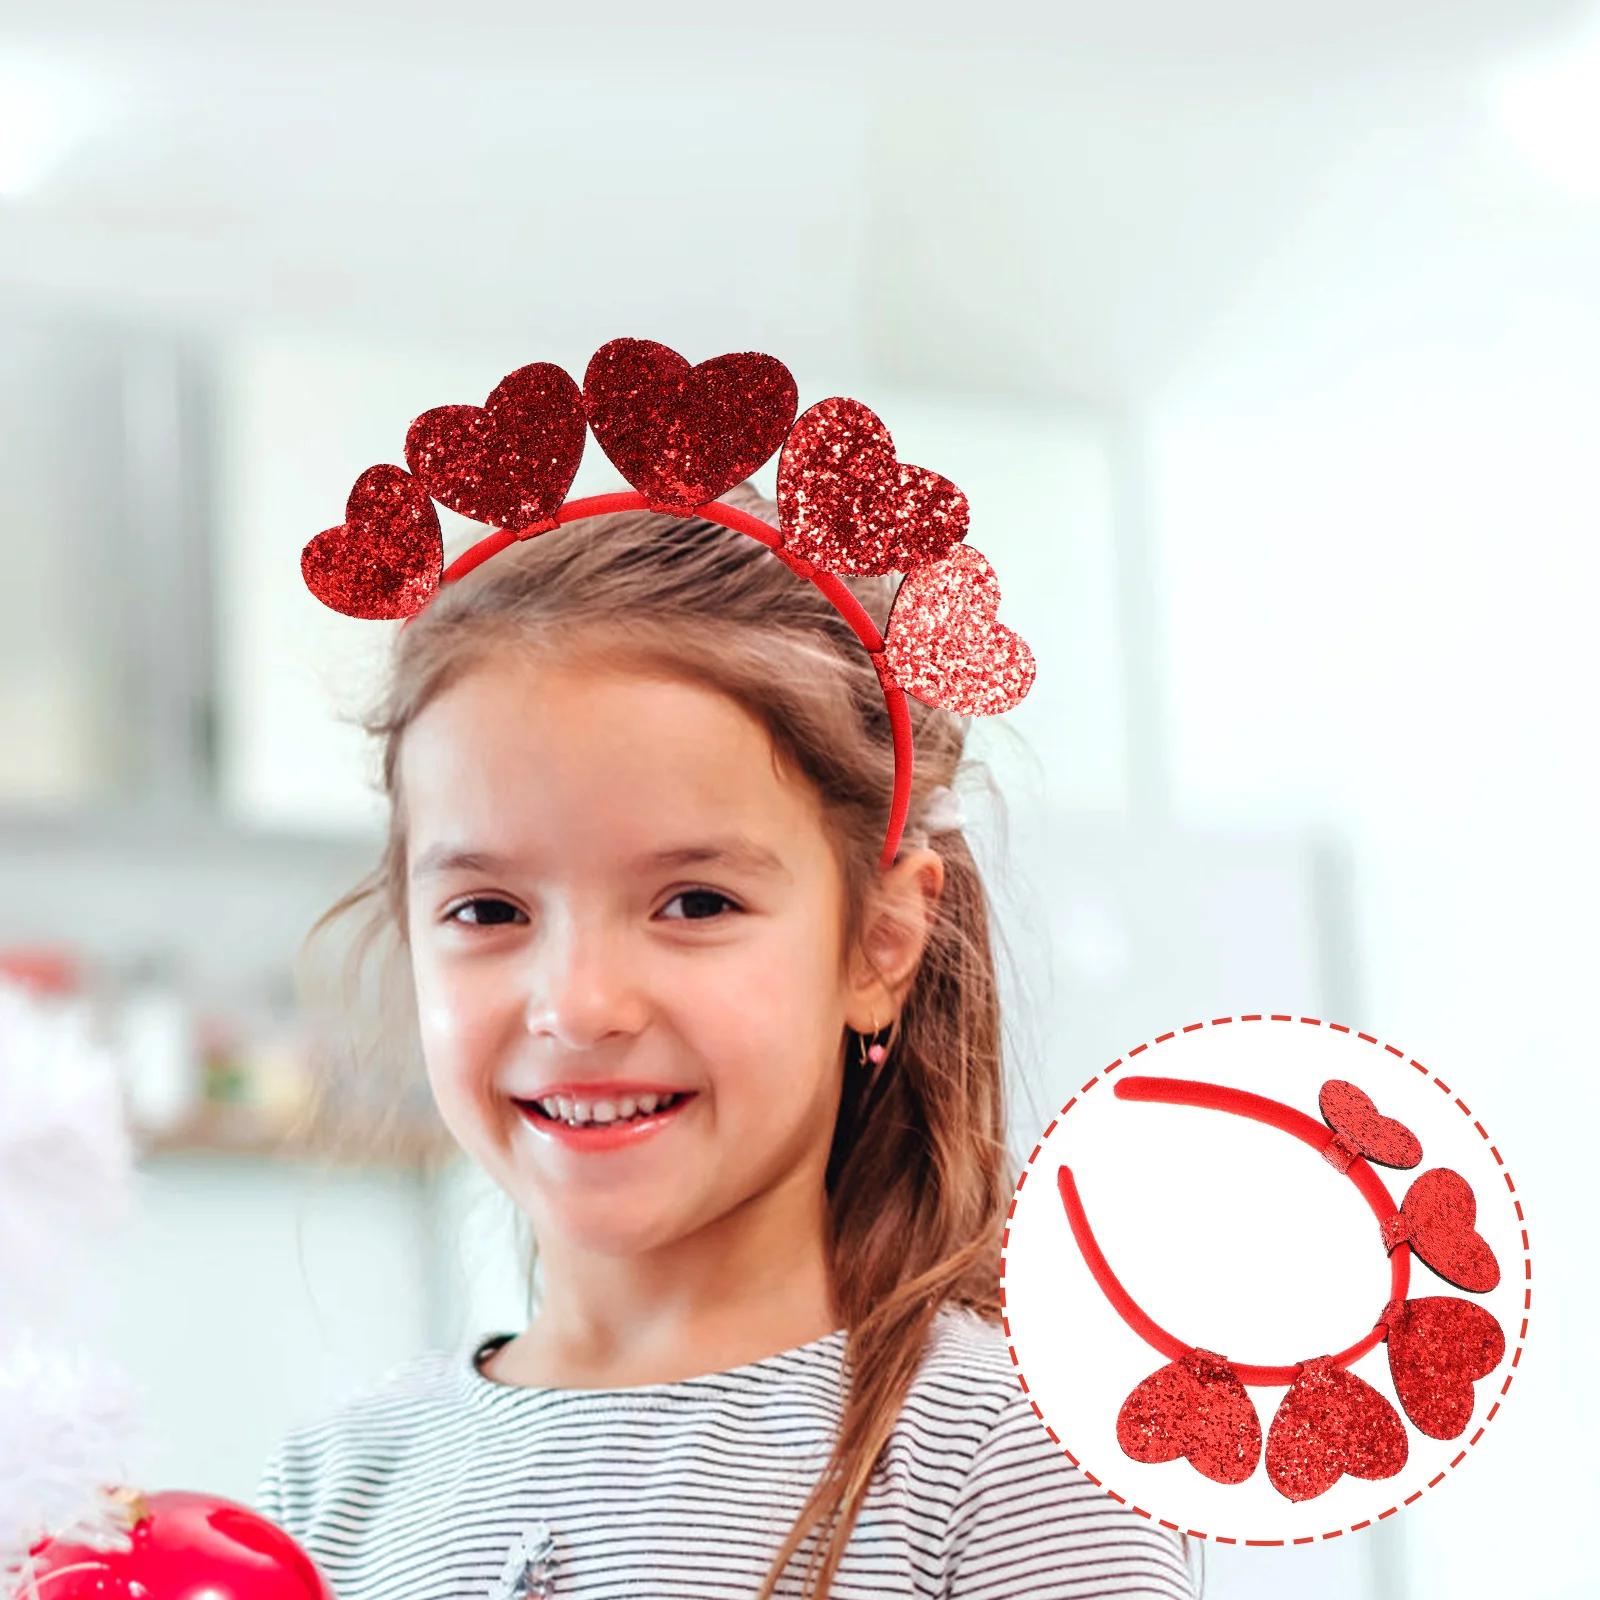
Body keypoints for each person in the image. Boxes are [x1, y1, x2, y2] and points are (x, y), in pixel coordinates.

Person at [257, 482, 1197, 1600]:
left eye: (695, 903)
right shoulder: (335, 1489)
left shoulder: (1004, 1459)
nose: (579, 1004)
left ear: (878, 944)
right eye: (489, 911)